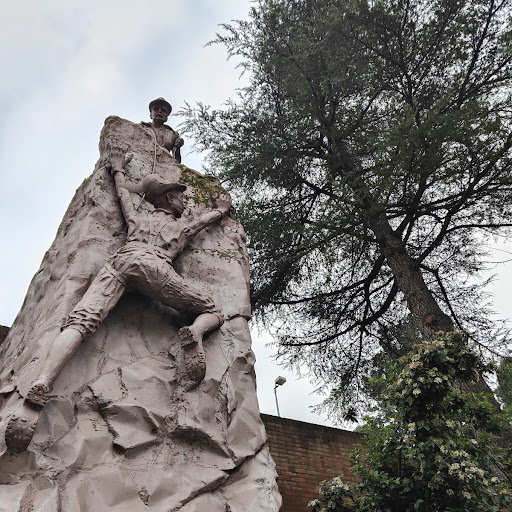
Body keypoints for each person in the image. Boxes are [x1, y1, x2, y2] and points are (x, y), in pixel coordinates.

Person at [5, 148, 231, 452]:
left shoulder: (138, 216)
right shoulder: (179, 227)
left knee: (81, 322)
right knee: (212, 310)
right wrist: (221, 210)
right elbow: (199, 223)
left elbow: (123, 195)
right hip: (155, 267)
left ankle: (45, 380)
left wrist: (117, 169)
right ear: (168, 198)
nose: (184, 202)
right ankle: (195, 331)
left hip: (121, 262)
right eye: (179, 197)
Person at [141, 97, 184, 162]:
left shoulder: (173, 135)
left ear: (166, 116)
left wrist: (177, 148)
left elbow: (176, 162)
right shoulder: (141, 128)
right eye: (156, 109)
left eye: (163, 110)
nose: (159, 111)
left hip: (164, 164)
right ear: (151, 114)